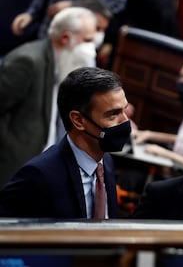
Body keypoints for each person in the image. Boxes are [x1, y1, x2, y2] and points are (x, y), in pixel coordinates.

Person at [0, 67, 131, 218]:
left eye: (124, 110)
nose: (125, 121)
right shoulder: (39, 177)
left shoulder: (105, 162)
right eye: (113, 114)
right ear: (78, 120)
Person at [0, 7, 98, 186]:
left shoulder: (61, 63)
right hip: (11, 172)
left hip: (38, 171)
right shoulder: (27, 61)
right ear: (65, 38)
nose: (92, 49)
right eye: (87, 40)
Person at [11, 0, 126, 39]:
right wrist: (31, 13)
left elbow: (117, 1)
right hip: (48, 32)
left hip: (80, 39)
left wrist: (74, 5)